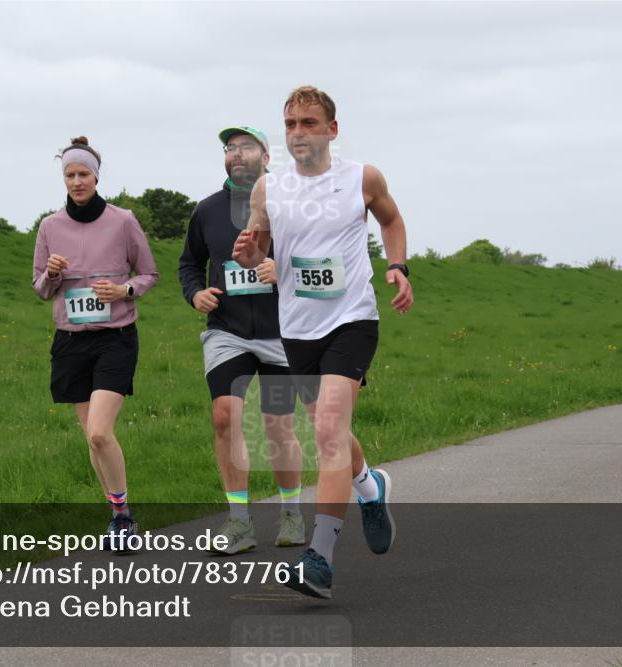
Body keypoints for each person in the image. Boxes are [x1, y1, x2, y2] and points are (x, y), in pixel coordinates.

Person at [232, 87, 414, 598]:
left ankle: (320, 559)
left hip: (351, 319)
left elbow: (392, 219)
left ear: (332, 129)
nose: (298, 132)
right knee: (328, 429)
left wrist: (397, 267)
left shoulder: (362, 178)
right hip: (296, 326)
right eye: (290, 124)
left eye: (309, 123)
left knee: (329, 429)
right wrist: (249, 252)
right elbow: (259, 250)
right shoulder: (269, 189)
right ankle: (369, 488)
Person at [179, 126, 306, 555]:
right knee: (224, 416)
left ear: (267, 157)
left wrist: (279, 270)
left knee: (278, 424)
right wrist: (195, 292)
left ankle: (291, 512)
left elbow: (312, 260)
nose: (236, 154)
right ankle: (239, 523)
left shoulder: (289, 205)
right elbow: (189, 264)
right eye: (229, 148)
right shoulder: (207, 210)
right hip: (226, 331)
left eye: (246, 147)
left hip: (279, 331)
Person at [32, 136, 159, 551]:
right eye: (69, 175)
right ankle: (116, 514)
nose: (76, 181)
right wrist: (51, 274)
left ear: (97, 175)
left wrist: (123, 290)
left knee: (101, 433)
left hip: (115, 339)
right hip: (71, 342)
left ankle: (123, 517)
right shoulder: (50, 227)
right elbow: (40, 290)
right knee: (92, 438)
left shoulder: (123, 221)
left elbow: (148, 275)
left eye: (83, 173)